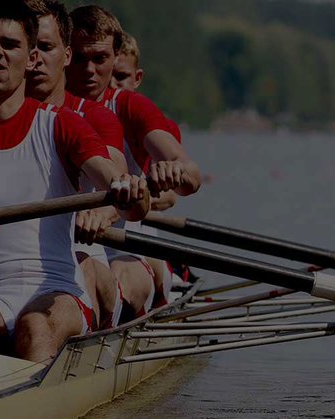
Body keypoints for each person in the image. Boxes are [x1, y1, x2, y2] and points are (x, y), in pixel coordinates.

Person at [0, 0, 148, 363]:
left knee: (35, 325)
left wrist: (129, 191)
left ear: (31, 56)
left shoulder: (61, 125)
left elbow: (118, 188)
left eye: (10, 44)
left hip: (60, 293)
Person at [66, 5, 201, 320]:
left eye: (99, 59)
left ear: (113, 60)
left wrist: (174, 171)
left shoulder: (129, 107)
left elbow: (191, 175)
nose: (89, 70)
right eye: (81, 58)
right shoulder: (44, 110)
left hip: (124, 247)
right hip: (58, 252)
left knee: (116, 276)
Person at [24, 0, 126, 329]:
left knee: (85, 267)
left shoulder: (95, 118)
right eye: (31, 47)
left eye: (46, 47)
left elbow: (118, 181)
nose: (37, 57)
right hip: (17, 266)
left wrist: (104, 211)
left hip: (85, 254)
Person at [111, 31, 192, 295]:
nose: (112, 83)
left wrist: (117, 205)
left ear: (138, 79)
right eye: (107, 73)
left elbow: (169, 198)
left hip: (136, 241)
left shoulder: (158, 128)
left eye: (121, 76)